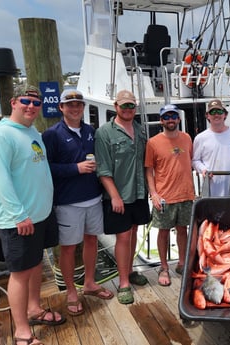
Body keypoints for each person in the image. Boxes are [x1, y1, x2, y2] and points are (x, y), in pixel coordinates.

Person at [0, 85, 65, 345]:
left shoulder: (31, 131)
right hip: (20, 220)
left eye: (36, 103)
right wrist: (19, 215)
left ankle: (34, 308)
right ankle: (21, 332)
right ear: (13, 102)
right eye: (25, 101)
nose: (31, 106)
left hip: (40, 215)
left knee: (36, 264)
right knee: (19, 272)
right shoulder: (0, 135)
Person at [42, 89, 114, 316]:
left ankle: (90, 283)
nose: (75, 108)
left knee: (92, 240)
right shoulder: (51, 135)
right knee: (68, 248)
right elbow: (46, 168)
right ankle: (71, 291)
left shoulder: (90, 130)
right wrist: (76, 168)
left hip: (93, 198)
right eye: (69, 104)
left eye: (78, 104)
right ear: (61, 107)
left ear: (83, 107)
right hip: (67, 202)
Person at [95, 90, 150, 304]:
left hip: (138, 192)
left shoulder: (139, 130)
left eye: (131, 106)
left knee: (134, 231)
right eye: (124, 106)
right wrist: (114, 196)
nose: (128, 110)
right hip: (118, 196)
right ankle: (123, 282)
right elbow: (103, 170)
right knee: (123, 237)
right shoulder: (104, 133)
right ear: (115, 106)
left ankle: (130, 270)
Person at [145, 104, 195, 286]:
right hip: (165, 197)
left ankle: (182, 263)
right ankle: (164, 267)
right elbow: (149, 170)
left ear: (179, 119)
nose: (171, 120)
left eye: (174, 116)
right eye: (166, 117)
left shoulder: (187, 138)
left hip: (186, 194)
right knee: (163, 232)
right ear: (161, 120)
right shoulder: (153, 142)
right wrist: (154, 194)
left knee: (183, 230)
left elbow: (190, 160)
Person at [192, 99, 230, 196]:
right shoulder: (200, 138)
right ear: (207, 116)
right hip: (210, 189)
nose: (216, 115)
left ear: (225, 114)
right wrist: (203, 170)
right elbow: (195, 160)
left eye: (219, 111)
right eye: (212, 112)